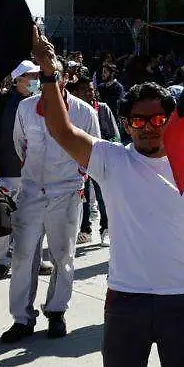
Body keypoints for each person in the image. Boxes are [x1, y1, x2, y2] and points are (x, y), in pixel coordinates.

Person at [29, 32, 184, 367]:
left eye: (157, 120)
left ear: (170, 120)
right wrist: (48, 72)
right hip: (126, 302)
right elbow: (60, 129)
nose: (148, 128)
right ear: (126, 124)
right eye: (138, 121)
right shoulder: (112, 160)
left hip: (182, 302)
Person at [0, 68, 99, 343]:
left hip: (66, 192)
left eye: (49, 75)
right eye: (37, 76)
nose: (40, 81)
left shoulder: (83, 112)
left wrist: (76, 179)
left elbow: (93, 150)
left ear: (64, 78)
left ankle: (56, 311)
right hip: (31, 191)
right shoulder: (25, 108)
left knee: (63, 256)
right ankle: (22, 318)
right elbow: (20, 145)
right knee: (22, 256)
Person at [0, 60, 40, 279]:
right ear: (18, 79)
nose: (36, 80)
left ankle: (30, 258)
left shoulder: (40, 100)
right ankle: (0, 261)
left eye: (37, 76)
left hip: (33, 172)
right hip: (6, 170)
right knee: (4, 217)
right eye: (31, 76)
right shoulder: (2, 100)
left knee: (32, 219)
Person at [69, 76, 120, 243]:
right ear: (75, 92)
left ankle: (106, 228)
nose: (89, 93)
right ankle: (85, 229)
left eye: (91, 89)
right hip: (79, 158)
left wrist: (111, 152)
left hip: (100, 157)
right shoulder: (72, 110)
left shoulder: (103, 108)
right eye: (84, 90)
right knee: (83, 196)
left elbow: (114, 134)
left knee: (102, 195)